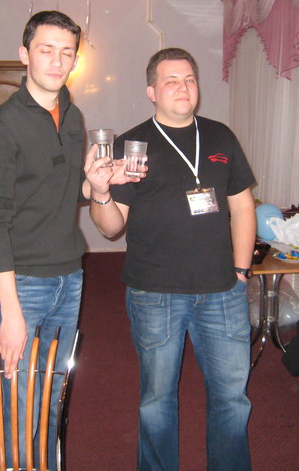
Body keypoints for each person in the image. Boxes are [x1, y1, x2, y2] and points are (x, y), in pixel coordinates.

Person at [0, 10, 137, 467]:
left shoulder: (72, 115)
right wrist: (10, 313)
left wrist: (99, 181)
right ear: (24, 54)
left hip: (70, 276)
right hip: (23, 282)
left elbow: (70, 191)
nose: (57, 61)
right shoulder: (1, 126)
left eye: (67, 52)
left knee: (50, 395)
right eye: (46, 50)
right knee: (19, 404)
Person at [85, 47, 257, 471]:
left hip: (222, 290)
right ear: (152, 92)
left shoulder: (221, 136)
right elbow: (110, 227)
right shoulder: (131, 145)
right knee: (157, 400)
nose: (183, 88)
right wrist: (101, 192)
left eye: (189, 80)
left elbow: (243, 207)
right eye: (171, 81)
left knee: (232, 397)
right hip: (155, 292)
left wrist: (241, 271)